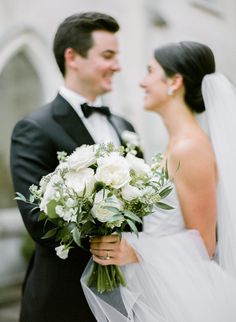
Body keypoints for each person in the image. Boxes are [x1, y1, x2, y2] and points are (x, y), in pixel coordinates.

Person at [83, 41, 236, 321]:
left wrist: (135, 250)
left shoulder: (189, 148)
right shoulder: (176, 144)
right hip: (155, 283)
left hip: (180, 297)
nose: (143, 82)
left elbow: (205, 243)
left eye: (150, 71)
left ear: (174, 81)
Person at [10, 12, 139, 322]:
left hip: (127, 294)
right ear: (73, 57)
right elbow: (38, 221)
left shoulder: (124, 127)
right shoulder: (35, 128)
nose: (117, 65)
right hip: (61, 299)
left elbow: (141, 208)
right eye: (108, 55)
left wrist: (131, 243)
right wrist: (101, 232)